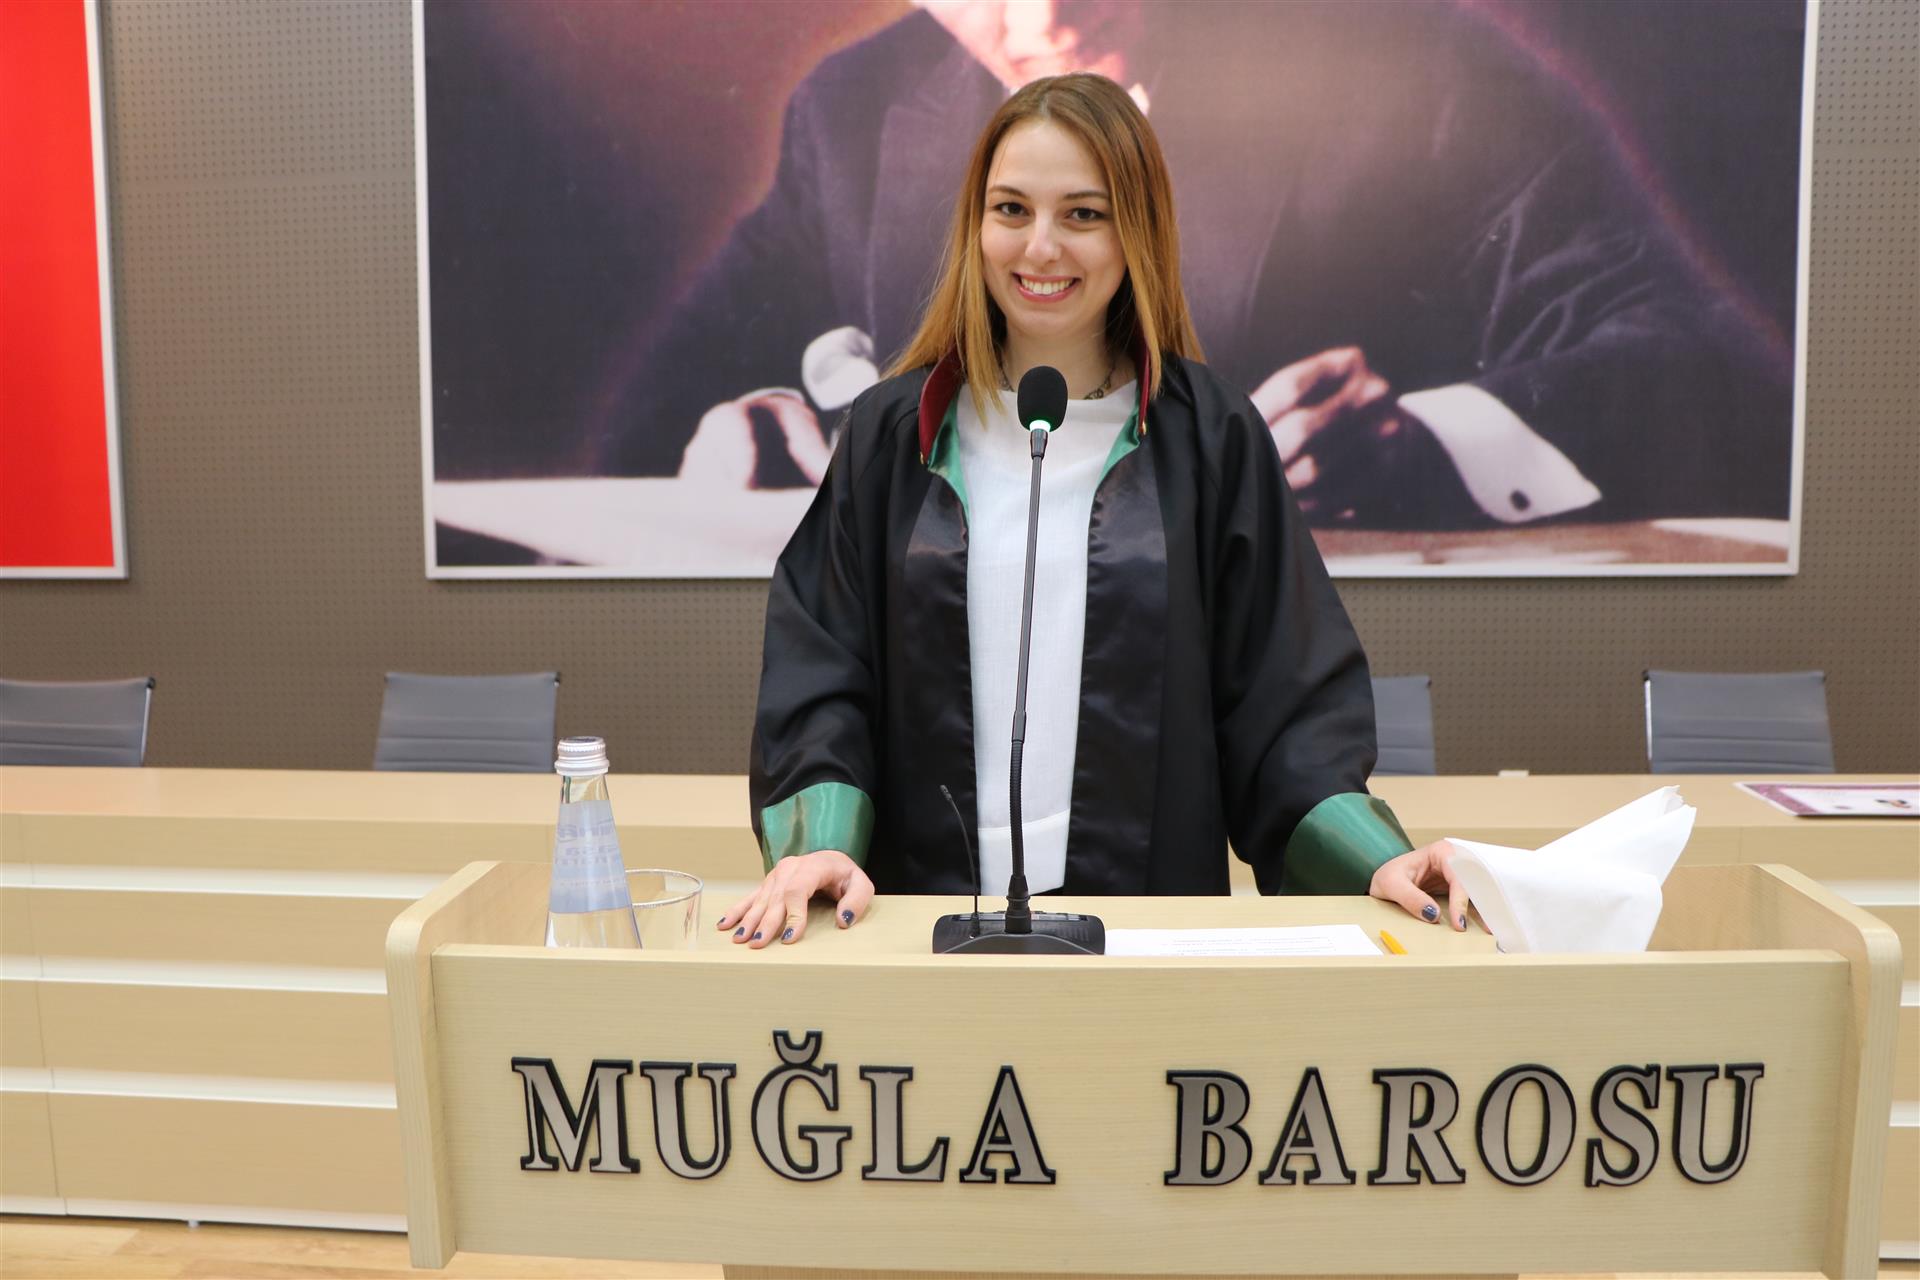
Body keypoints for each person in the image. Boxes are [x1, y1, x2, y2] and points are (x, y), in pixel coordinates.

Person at [717, 73, 1464, 950]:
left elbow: (1286, 707)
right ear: (975, 226)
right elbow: (821, 675)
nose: (1040, 248)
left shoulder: (1211, 437)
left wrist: (1371, 858)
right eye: (1011, 210)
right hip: (916, 925)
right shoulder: (891, 434)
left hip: (1145, 932)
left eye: (1082, 214)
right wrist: (820, 845)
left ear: (1135, 230)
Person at [600, 0, 1792, 533]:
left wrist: (1423, 445)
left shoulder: (1422, 71)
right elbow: (647, 421)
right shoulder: (853, 111)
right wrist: (741, 427)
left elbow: (1709, 373)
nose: (1043, 11)